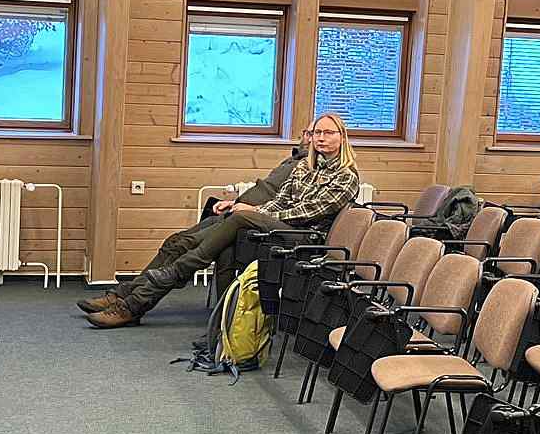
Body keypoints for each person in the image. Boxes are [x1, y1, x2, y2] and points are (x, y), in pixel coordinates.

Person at [107, 112, 361, 324]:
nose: (320, 138)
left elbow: (306, 213)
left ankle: (176, 271)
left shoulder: (347, 176)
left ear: (342, 137)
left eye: (328, 133)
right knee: (226, 245)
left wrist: (255, 212)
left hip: (304, 236)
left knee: (239, 220)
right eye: (317, 132)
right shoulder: (305, 167)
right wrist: (257, 211)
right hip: (279, 223)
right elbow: (280, 200)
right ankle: (222, 322)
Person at [81, 132, 311, 324]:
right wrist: (235, 202)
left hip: (253, 222)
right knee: (176, 242)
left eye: (321, 133)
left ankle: (132, 305)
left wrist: (252, 209)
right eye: (310, 132)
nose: (312, 137)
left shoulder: (309, 167)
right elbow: (272, 195)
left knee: (193, 249)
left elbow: (290, 204)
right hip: (239, 212)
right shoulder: (294, 161)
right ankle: (124, 294)